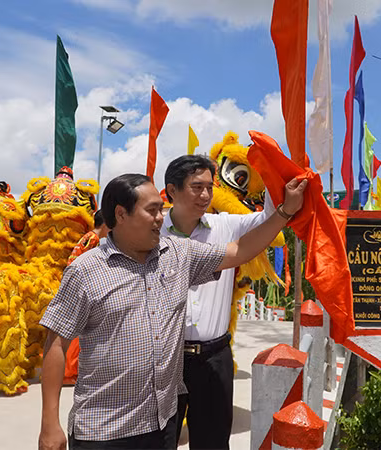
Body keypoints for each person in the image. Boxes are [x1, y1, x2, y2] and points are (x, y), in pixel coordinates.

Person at [38, 173, 306, 450]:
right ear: (121, 214)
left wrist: (285, 212)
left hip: (161, 427)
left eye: (161, 209)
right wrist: (49, 423)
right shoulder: (85, 271)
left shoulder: (179, 254)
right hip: (103, 431)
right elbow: (56, 342)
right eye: (152, 210)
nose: (160, 217)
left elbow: (239, 251)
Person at [162, 154, 280, 449]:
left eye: (209, 188)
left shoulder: (224, 227)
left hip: (214, 357)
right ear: (172, 190)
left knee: (213, 442)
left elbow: (270, 217)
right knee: (158, 439)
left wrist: (272, 171)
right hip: (164, 356)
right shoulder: (152, 230)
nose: (205, 195)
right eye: (196, 187)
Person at [62, 209, 109, 385]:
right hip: (81, 287)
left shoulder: (87, 236)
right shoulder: (94, 240)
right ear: (104, 224)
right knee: (78, 333)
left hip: (74, 285)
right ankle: (68, 372)